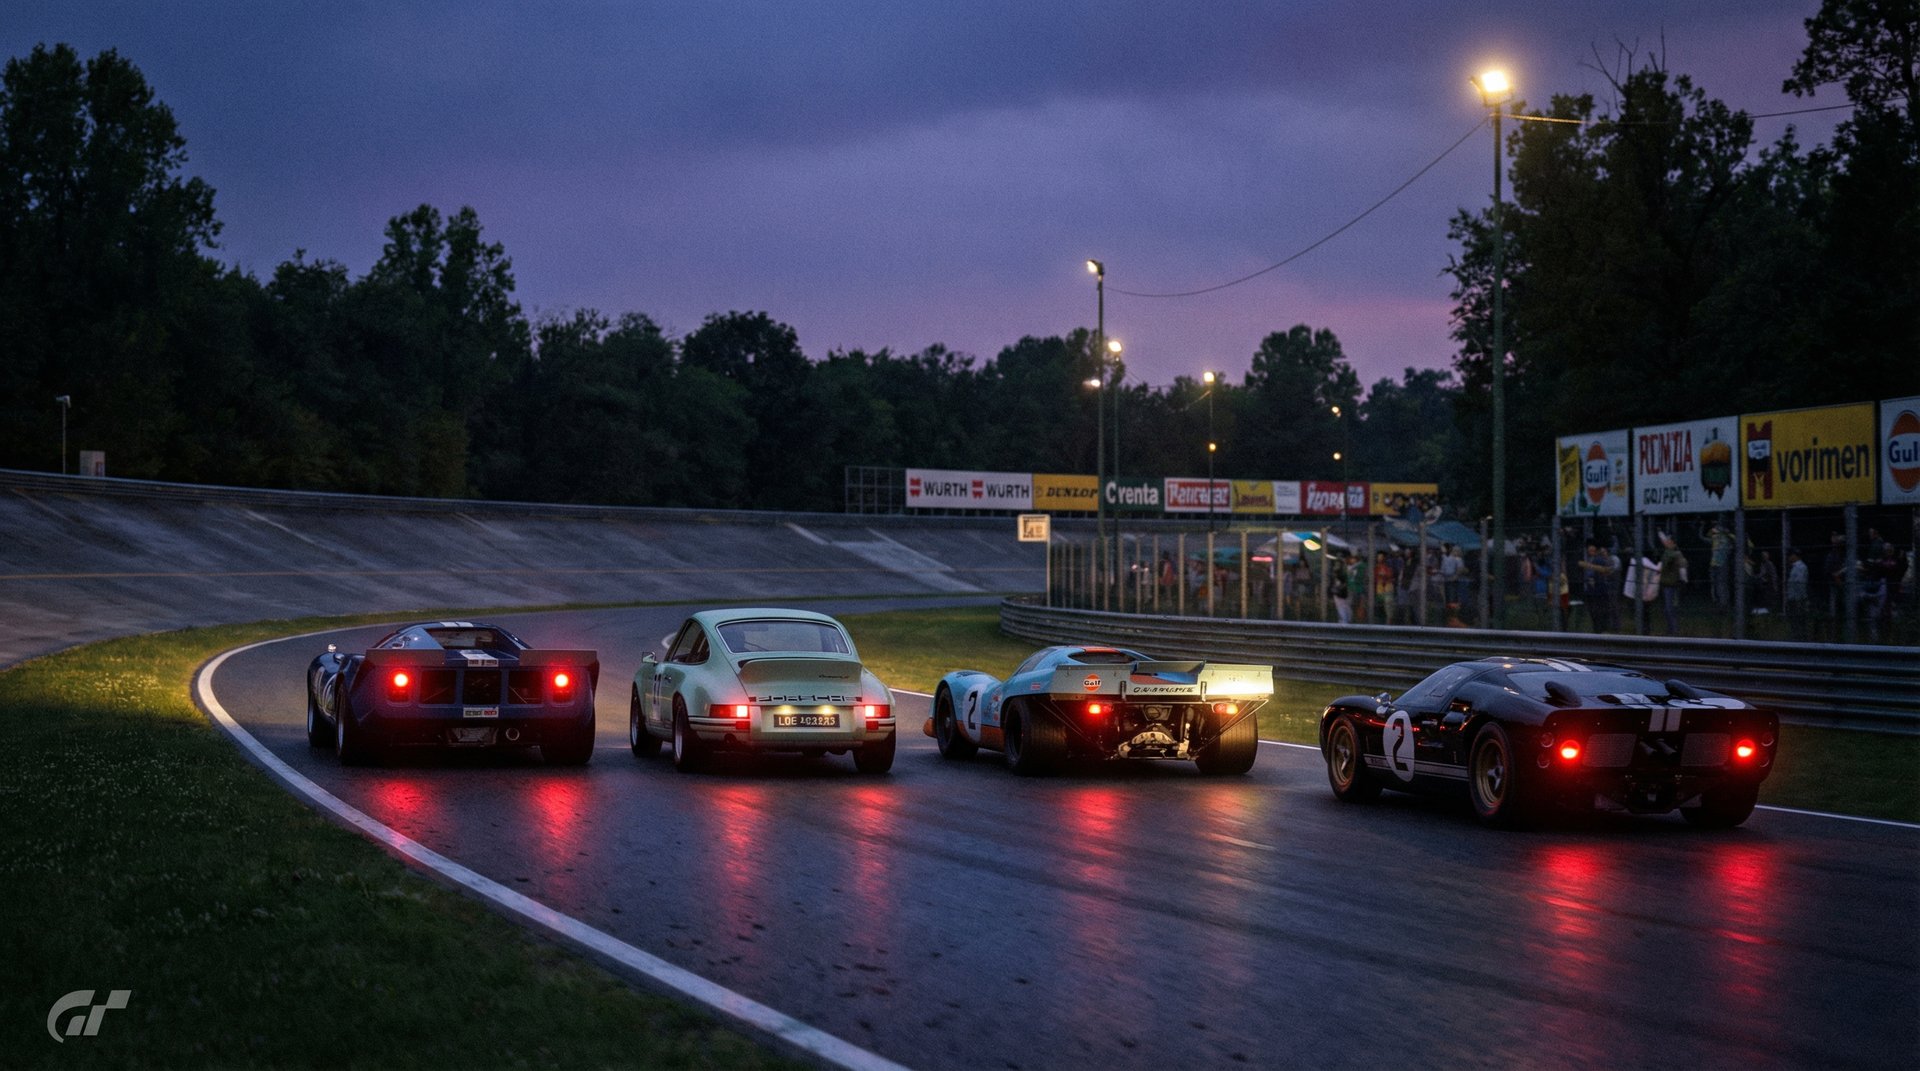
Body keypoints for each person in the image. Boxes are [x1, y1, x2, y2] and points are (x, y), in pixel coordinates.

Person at [1578, 539, 1619, 633]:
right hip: (1594, 591)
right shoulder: (1591, 559)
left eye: (1593, 546)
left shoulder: (1597, 559)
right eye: (1589, 546)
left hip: (1598, 591)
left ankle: (1600, 630)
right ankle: (1599, 630)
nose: (1591, 548)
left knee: (1598, 613)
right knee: (1596, 613)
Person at [1658, 533, 1688, 635]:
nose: (1666, 542)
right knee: (1668, 609)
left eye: (1668, 540)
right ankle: (1671, 629)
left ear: (1673, 543)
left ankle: (1673, 631)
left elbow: (1681, 564)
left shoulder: (1675, 554)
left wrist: (1683, 579)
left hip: (1672, 585)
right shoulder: (1669, 552)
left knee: (1670, 609)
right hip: (1667, 584)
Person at [1704, 519, 1734, 607]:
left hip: (1722, 564)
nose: (1716, 528)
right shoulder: (1714, 538)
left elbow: (1735, 539)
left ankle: (1724, 603)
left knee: (1722, 584)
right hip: (1713, 564)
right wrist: (1711, 529)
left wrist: (1725, 532)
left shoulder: (1728, 538)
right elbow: (1706, 536)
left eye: (1718, 526)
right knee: (1715, 585)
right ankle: (1717, 602)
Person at [1784, 546, 1810, 642]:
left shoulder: (1800, 567)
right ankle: (1797, 639)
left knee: (1798, 622)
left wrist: (1798, 600)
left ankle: (1799, 640)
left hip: (1797, 600)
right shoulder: (1796, 567)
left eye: (1790, 555)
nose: (1788, 558)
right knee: (1795, 622)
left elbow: (1799, 585)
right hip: (1795, 599)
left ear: (1795, 556)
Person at [1372, 550, 1395, 625]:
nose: (1379, 559)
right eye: (1378, 557)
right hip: (1379, 590)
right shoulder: (1375, 568)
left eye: (1381, 557)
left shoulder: (1388, 567)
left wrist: (1383, 577)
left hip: (1387, 589)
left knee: (1388, 608)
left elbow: (1390, 576)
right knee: (1380, 608)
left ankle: (1388, 625)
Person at [1331, 554, 1353, 624]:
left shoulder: (1340, 572)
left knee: (1342, 606)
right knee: (1345, 606)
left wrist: (1338, 588)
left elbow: (1341, 582)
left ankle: (1344, 621)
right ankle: (1346, 620)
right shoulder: (1347, 569)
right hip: (1345, 591)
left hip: (1342, 591)